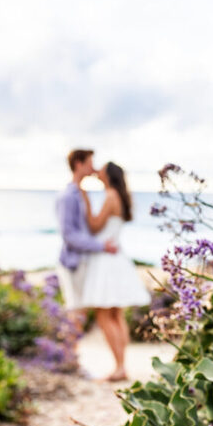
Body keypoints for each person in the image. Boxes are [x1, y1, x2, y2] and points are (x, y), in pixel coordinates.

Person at [80, 161, 151, 381]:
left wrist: (85, 201)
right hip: (117, 256)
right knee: (116, 315)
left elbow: (94, 226)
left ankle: (119, 366)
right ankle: (122, 365)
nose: (98, 174)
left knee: (104, 315)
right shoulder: (121, 197)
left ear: (108, 175)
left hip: (106, 259)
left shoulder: (110, 196)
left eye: (101, 171)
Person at [55, 149, 118, 314]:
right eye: (90, 164)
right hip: (73, 262)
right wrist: (101, 246)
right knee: (76, 312)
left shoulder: (81, 193)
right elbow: (69, 235)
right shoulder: (68, 196)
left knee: (80, 313)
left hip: (83, 261)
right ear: (78, 164)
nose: (93, 168)